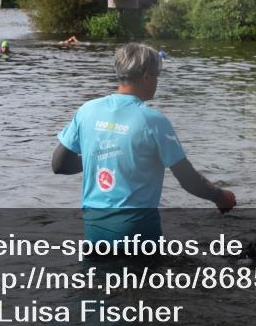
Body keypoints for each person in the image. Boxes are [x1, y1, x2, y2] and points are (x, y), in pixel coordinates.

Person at [51, 43, 236, 246]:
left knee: (98, 279)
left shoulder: (87, 110)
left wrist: (102, 156)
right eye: (157, 75)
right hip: (137, 235)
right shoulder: (153, 121)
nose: (157, 82)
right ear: (147, 77)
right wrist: (220, 196)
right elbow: (187, 179)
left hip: (95, 235)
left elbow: (59, 165)